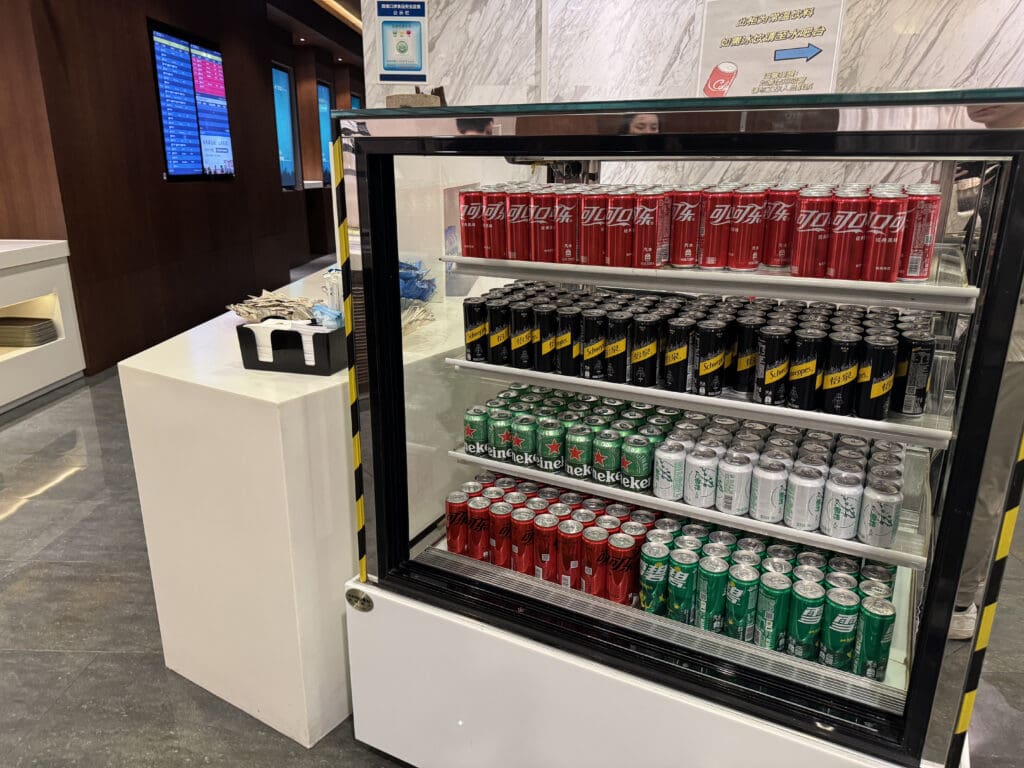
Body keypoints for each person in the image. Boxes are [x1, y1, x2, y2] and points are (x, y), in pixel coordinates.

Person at [949, 103, 1024, 639]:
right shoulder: (992, 162)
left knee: (984, 470)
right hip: (976, 331)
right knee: (955, 459)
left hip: (1014, 341)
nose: (982, 99)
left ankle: (958, 601)